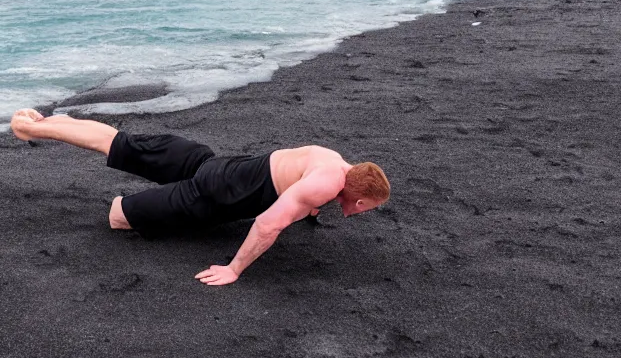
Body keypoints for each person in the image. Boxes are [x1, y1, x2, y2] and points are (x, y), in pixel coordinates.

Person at [9, 108, 390, 286]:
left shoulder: (336, 163)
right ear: (359, 200)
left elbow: (302, 192)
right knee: (119, 216)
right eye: (365, 208)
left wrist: (309, 211)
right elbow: (268, 223)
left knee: (116, 141)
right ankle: (33, 128)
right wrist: (234, 269)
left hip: (210, 161)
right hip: (206, 194)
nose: (360, 212)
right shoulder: (323, 187)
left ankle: (37, 124)